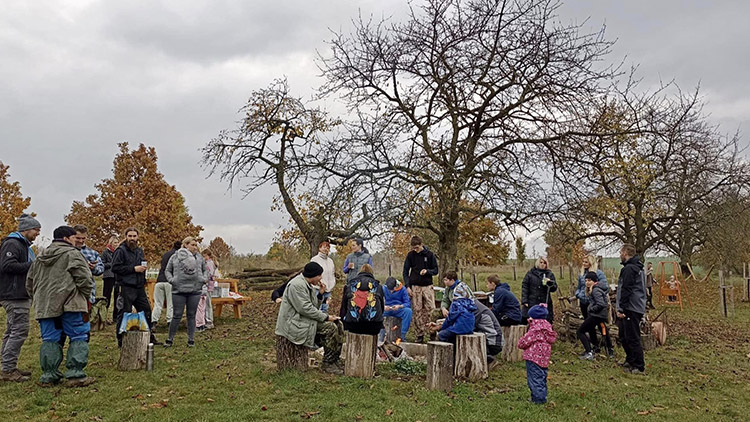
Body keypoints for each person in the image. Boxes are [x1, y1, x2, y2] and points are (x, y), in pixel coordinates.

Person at [26, 226, 95, 387]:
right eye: (73, 237)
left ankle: (49, 375)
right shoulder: (73, 255)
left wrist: (39, 299)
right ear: (66, 238)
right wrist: (85, 297)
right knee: (78, 336)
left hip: (46, 306)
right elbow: (85, 279)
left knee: (50, 339)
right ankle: (75, 374)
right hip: (71, 304)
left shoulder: (40, 257)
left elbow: (30, 282)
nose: (76, 241)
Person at [275, 262, 344, 374]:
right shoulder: (297, 286)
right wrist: (326, 317)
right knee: (330, 328)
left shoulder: (308, 285)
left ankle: (334, 360)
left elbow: (312, 306)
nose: (321, 278)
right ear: (312, 275)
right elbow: (305, 309)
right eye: (319, 275)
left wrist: (320, 294)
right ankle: (328, 364)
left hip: (304, 320)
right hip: (294, 323)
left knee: (338, 325)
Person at [0, 213, 40, 382]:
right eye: (36, 230)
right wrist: (33, 265)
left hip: (17, 294)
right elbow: (7, 265)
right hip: (14, 295)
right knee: (19, 331)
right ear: (26, 230)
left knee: (11, 331)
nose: (38, 233)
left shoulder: (22, 245)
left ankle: (7, 366)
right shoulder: (13, 244)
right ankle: (8, 369)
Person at [112, 227, 159, 346]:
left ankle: (148, 337)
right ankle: (121, 339)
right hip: (126, 286)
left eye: (134, 236)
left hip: (139, 287)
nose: (132, 238)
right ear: (126, 237)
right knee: (124, 312)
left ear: (138, 237)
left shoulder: (139, 251)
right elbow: (115, 268)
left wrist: (143, 273)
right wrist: (133, 269)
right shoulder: (120, 251)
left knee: (146, 310)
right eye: (130, 236)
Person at [165, 237, 208, 347]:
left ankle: (191, 340)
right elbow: (167, 270)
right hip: (178, 290)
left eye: (196, 245)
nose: (195, 247)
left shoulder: (199, 257)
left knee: (191, 315)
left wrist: (204, 279)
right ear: (185, 245)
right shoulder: (175, 257)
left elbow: (205, 270)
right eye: (193, 245)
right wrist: (172, 280)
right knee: (177, 315)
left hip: (195, 290)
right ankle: (170, 339)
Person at [616, 243, 647, 374]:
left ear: (625, 253)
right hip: (634, 306)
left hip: (631, 307)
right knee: (623, 335)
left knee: (633, 337)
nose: (619, 255)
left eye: (621, 253)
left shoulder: (630, 269)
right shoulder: (637, 267)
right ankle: (630, 359)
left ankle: (638, 365)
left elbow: (626, 289)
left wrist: (622, 308)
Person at [517, 304, 557, 404]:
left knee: (534, 379)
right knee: (542, 377)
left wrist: (520, 342)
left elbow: (524, 342)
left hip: (533, 358)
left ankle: (538, 399)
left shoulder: (535, 329)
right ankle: (541, 395)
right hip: (544, 358)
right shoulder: (547, 327)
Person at [402, 236, 439, 343]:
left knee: (430, 309)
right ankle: (419, 334)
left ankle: (432, 332)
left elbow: (436, 270)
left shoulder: (430, 255)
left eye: (417, 247)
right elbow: (405, 272)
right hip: (415, 286)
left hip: (427, 286)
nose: (416, 250)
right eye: (414, 248)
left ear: (421, 244)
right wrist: (407, 286)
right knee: (417, 310)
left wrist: (427, 271)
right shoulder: (410, 255)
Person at [577, 272, 614, 360]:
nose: (587, 282)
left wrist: (591, 309)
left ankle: (589, 352)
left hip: (596, 315)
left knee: (580, 332)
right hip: (598, 315)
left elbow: (601, 304)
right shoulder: (596, 289)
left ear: (594, 281)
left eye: (589, 280)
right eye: (586, 280)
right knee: (595, 329)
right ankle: (601, 349)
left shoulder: (596, 290)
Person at [339, 264, 384, 335]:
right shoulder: (378, 286)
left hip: (353, 325)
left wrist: (342, 322)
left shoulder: (350, 285)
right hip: (374, 325)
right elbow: (381, 307)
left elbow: (343, 308)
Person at [152, 242, 180, 330]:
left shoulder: (165, 254)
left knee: (158, 304)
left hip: (159, 280)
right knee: (171, 303)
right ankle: (169, 322)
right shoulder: (178, 255)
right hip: (169, 281)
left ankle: (153, 322)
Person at [521, 257, 557, 323]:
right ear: (538, 263)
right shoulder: (530, 274)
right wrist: (524, 300)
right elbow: (525, 287)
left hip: (544, 302)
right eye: (541, 262)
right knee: (530, 321)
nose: (542, 264)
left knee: (545, 322)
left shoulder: (549, 274)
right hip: (532, 301)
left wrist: (549, 283)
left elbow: (554, 288)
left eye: (544, 263)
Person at [473, 299, 504, 369]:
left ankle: (488, 357)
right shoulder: (478, 307)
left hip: (494, 342)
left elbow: (469, 326)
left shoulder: (476, 310)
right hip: (495, 339)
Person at [380, 277, 412, 342]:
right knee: (378, 312)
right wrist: (383, 306)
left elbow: (408, 303)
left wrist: (400, 306)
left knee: (408, 312)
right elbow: (378, 300)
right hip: (387, 309)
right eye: (389, 290)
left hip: (398, 309)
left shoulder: (402, 289)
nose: (391, 291)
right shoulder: (383, 288)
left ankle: (402, 336)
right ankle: (381, 335)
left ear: (395, 287)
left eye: (392, 289)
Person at [311, 241, 336, 312]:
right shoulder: (315, 259)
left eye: (328, 248)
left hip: (328, 289)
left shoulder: (330, 261)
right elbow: (313, 274)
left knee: (325, 308)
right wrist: (320, 283)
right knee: (317, 307)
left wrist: (332, 284)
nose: (326, 249)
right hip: (318, 289)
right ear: (320, 248)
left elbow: (332, 273)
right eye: (324, 247)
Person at [196, 249, 217, 331]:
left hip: (208, 286)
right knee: (205, 303)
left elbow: (209, 274)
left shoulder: (209, 263)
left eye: (203, 256)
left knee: (207, 304)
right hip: (207, 286)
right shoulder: (209, 263)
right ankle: (205, 320)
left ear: (207, 256)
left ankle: (209, 321)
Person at [100, 236, 119, 317]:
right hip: (108, 276)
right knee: (106, 296)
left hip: (117, 276)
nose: (116, 244)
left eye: (117, 242)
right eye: (115, 242)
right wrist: (112, 264)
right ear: (111, 243)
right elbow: (102, 264)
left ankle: (116, 316)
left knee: (117, 296)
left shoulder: (119, 252)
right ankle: (103, 315)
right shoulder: (105, 253)